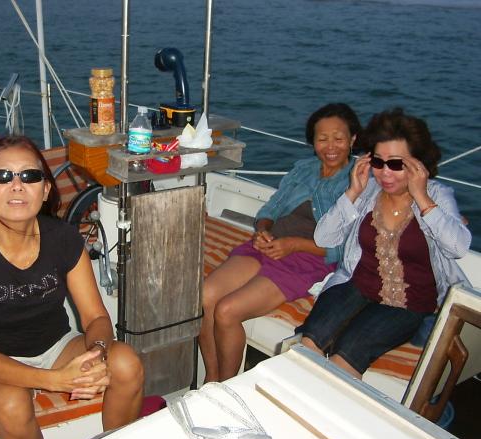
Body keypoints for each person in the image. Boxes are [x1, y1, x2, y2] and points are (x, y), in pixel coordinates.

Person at [0, 136, 144, 439]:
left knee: (127, 363)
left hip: (56, 347)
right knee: (12, 402)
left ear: (45, 189)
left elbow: (95, 317)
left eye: (30, 176)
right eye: (2, 176)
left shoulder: (63, 239)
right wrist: (57, 381)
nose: (17, 185)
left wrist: (98, 354)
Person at [298, 108, 472, 378]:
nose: (385, 174)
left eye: (396, 164)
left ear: (418, 164)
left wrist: (423, 198)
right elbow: (324, 238)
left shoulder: (437, 194)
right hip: (357, 287)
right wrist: (353, 191)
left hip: (408, 304)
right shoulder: (368, 190)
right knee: (307, 345)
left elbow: (458, 247)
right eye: (378, 163)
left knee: (346, 355)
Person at [199, 103, 362, 382]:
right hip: (269, 245)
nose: (330, 146)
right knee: (205, 296)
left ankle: (226, 387)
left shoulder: (360, 180)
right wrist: (263, 230)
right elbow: (270, 210)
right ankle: (211, 382)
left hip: (307, 258)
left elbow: (348, 246)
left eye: (339, 137)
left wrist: (294, 245)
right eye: (322, 138)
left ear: (353, 139)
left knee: (227, 311)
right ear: (313, 141)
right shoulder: (304, 169)